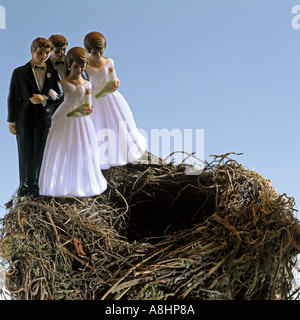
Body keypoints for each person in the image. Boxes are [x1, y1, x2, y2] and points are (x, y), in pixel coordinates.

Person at [39, 47, 107, 197]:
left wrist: (87, 109)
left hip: (81, 119)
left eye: (83, 66)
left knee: (82, 146)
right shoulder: (61, 82)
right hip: (64, 115)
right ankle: (59, 183)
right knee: (61, 146)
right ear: (70, 65)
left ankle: (79, 183)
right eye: (77, 66)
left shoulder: (87, 85)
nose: (80, 69)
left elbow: (88, 104)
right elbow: (50, 95)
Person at [7, 37, 64, 198]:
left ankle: (36, 186)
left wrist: (45, 99)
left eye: (46, 53)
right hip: (24, 119)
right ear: (32, 51)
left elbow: (60, 95)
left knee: (40, 154)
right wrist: (11, 120)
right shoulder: (19, 72)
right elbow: (13, 98)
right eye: (40, 53)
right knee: (25, 153)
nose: (43, 56)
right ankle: (24, 186)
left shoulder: (52, 72)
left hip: (43, 120)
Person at [84, 31, 146, 169]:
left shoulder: (109, 62)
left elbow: (114, 79)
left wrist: (113, 85)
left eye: (101, 51)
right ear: (89, 50)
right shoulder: (85, 64)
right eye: (94, 52)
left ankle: (119, 151)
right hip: (91, 96)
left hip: (108, 96)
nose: (98, 55)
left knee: (116, 123)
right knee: (95, 124)